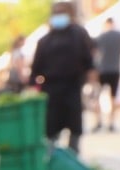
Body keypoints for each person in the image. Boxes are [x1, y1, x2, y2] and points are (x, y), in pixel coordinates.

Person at [30, 2, 95, 153]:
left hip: (73, 86)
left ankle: (74, 157)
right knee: (52, 127)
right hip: (51, 89)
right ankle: (54, 160)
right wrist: (34, 86)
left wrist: (92, 80)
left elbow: (88, 61)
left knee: (74, 125)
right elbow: (35, 69)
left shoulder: (79, 34)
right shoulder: (44, 41)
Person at [92, 17, 120, 132]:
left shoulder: (101, 36)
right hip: (115, 69)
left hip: (102, 70)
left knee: (97, 96)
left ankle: (99, 121)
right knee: (113, 97)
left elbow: (94, 51)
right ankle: (111, 122)